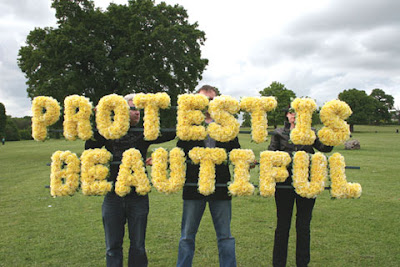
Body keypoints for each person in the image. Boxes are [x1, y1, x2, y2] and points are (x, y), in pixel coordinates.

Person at [85, 94, 175, 267]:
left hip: (138, 196)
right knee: (112, 246)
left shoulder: (144, 133)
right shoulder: (110, 131)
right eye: (133, 109)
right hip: (113, 195)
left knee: (138, 246)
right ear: (122, 110)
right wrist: (98, 118)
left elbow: (169, 134)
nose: (137, 113)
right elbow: (91, 146)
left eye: (140, 110)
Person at [176, 85, 240, 267]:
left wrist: (245, 161)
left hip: (220, 186)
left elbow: (235, 151)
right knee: (187, 236)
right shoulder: (188, 125)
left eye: (211, 99)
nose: (207, 103)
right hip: (193, 187)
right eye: (203, 99)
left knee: (225, 236)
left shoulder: (226, 125)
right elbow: (180, 151)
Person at [268, 108, 333, 267]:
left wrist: (332, 134)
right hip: (284, 184)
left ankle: (302, 263)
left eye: (297, 112)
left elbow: (325, 148)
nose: (294, 115)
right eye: (291, 112)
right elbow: (270, 154)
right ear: (286, 115)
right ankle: (278, 263)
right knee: (282, 225)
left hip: (306, 183)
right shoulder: (278, 133)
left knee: (303, 225)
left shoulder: (311, 132)